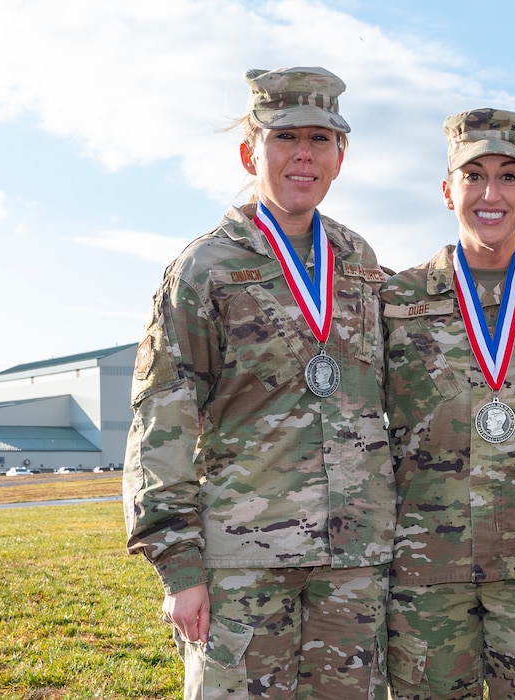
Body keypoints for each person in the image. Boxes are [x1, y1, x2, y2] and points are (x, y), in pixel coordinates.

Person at [122, 66, 396, 699]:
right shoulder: (204, 267)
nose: (304, 153)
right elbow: (161, 416)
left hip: (352, 561)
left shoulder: (359, 261)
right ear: (251, 152)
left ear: (340, 157)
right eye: (285, 137)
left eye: (321, 139)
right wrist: (180, 566)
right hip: (245, 559)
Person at [382, 108, 515, 699]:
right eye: (473, 175)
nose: (490, 193)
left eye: (508, 175)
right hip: (426, 570)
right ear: (448, 191)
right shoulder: (394, 300)